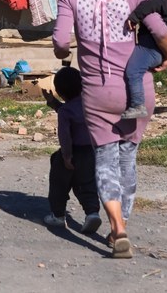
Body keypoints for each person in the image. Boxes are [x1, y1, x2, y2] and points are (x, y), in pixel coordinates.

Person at [52, 0, 167, 258]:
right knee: (127, 158)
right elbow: (161, 32)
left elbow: (61, 41)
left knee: (105, 159)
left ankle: (117, 225)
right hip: (138, 91)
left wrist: (64, 50)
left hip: (97, 93)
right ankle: (122, 225)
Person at [43, 66, 102, 234]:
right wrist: (53, 103)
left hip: (73, 152)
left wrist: (67, 156)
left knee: (59, 183)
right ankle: (92, 213)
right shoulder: (90, 105)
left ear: (60, 93)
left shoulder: (65, 112)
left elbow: (65, 136)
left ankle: (58, 215)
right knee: (87, 182)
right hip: (91, 151)